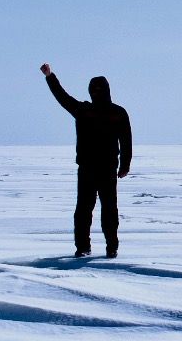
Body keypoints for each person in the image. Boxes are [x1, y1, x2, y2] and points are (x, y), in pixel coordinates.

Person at [40, 63, 131, 258]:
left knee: (109, 210)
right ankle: (83, 247)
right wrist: (50, 76)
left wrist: (125, 164)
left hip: (108, 168)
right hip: (87, 168)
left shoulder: (117, 113)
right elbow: (62, 97)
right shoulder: (83, 110)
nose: (96, 92)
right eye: (93, 89)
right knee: (83, 210)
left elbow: (126, 140)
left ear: (106, 90)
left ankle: (112, 247)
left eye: (99, 89)